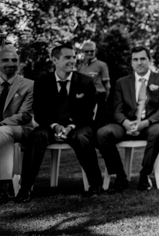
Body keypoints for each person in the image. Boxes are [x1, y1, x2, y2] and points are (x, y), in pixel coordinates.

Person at [16, 44, 104, 202]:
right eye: (67, 57)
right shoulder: (42, 83)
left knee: (82, 137)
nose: (72, 60)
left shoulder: (86, 82)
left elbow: (88, 112)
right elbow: (40, 112)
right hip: (50, 125)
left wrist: (70, 127)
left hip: (78, 124)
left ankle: (95, 184)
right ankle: (25, 188)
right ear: (55, 60)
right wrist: (55, 126)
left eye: (73, 57)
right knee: (36, 136)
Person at [96, 46, 159, 192]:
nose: (139, 62)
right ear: (131, 63)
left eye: (143, 58)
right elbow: (116, 111)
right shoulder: (121, 83)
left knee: (158, 131)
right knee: (102, 133)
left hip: (150, 124)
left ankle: (145, 174)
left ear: (149, 60)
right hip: (126, 125)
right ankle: (120, 175)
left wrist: (143, 124)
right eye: (135, 59)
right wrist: (126, 123)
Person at [0, 48, 34, 203]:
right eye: (5, 60)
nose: (10, 63)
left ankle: (2, 188)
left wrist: (2, 124)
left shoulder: (29, 85)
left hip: (21, 129)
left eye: (14, 60)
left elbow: (24, 114)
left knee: (3, 132)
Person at [77, 41, 110, 123]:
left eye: (92, 51)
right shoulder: (80, 66)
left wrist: (104, 99)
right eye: (86, 51)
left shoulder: (102, 65)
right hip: (83, 99)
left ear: (95, 51)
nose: (89, 53)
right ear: (82, 52)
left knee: (98, 123)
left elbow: (107, 85)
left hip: (97, 98)